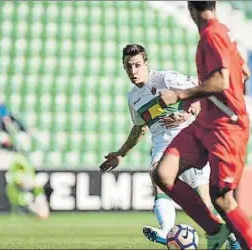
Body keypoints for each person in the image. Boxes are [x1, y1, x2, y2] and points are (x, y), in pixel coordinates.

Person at [100, 44, 240, 249]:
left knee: (206, 203)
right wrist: (122, 153)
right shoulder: (133, 98)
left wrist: (187, 113)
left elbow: (202, 88)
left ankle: (234, 239)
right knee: (158, 179)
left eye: (137, 65)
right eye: (128, 66)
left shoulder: (166, 79)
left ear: (146, 64)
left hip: (188, 139)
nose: (133, 71)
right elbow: (140, 128)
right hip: (161, 144)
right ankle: (167, 230)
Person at [153, 2, 252, 249]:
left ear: (191, 8)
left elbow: (221, 81)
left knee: (222, 199)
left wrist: (181, 95)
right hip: (205, 123)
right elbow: (244, 72)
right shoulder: (220, 32)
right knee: (163, 174)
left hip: (226, 127)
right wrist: (201, 98)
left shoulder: (213, 34)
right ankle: (215, 230)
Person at [6, 153, 50, 219]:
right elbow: (20, 183)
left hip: (28, 191)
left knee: (38, 194)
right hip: (18, 195)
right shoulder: (17, 174)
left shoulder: (27, 173)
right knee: (28, 197)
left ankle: (42, 211)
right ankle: (39, 212)